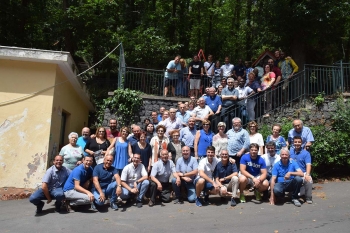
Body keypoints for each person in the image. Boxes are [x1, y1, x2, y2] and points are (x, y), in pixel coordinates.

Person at [289, 136, 313, 204]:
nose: (297, 143)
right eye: (295, 142)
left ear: (301, 143)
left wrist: (307, 175)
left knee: (309, 180)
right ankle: (294, 194)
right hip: (292, 173)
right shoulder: (290, 152)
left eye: (299, 142)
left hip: (303, 173)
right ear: (293, 142)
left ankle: (308, 197)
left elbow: (308, 165)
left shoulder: (306, 153)